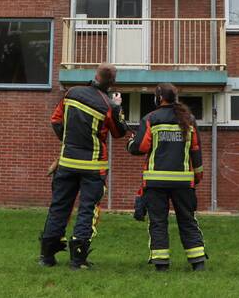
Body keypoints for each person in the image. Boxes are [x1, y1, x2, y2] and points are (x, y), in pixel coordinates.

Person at [39, 63, 128, 269]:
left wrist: (68, 141)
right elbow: (119, 132)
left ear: (95, 75)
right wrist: (117, 108)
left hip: (67, 162)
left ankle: (47, 257)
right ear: (112, 82)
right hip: (93, 167)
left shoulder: (72, 93)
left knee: (59, 206)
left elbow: (55, 120)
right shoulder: (107, 105)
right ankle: (77, 260)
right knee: (87, 210)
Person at [127, 83, 207, 271]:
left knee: (158, 222)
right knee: (188, 220)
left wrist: (131, 142)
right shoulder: (189, 120)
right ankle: (198, 263)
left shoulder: (151, 118)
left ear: (159, 98)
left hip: (156, 182)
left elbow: (140, 148)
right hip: (183, 182)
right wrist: (197, 176)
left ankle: (161, 264)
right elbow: (196, 150)